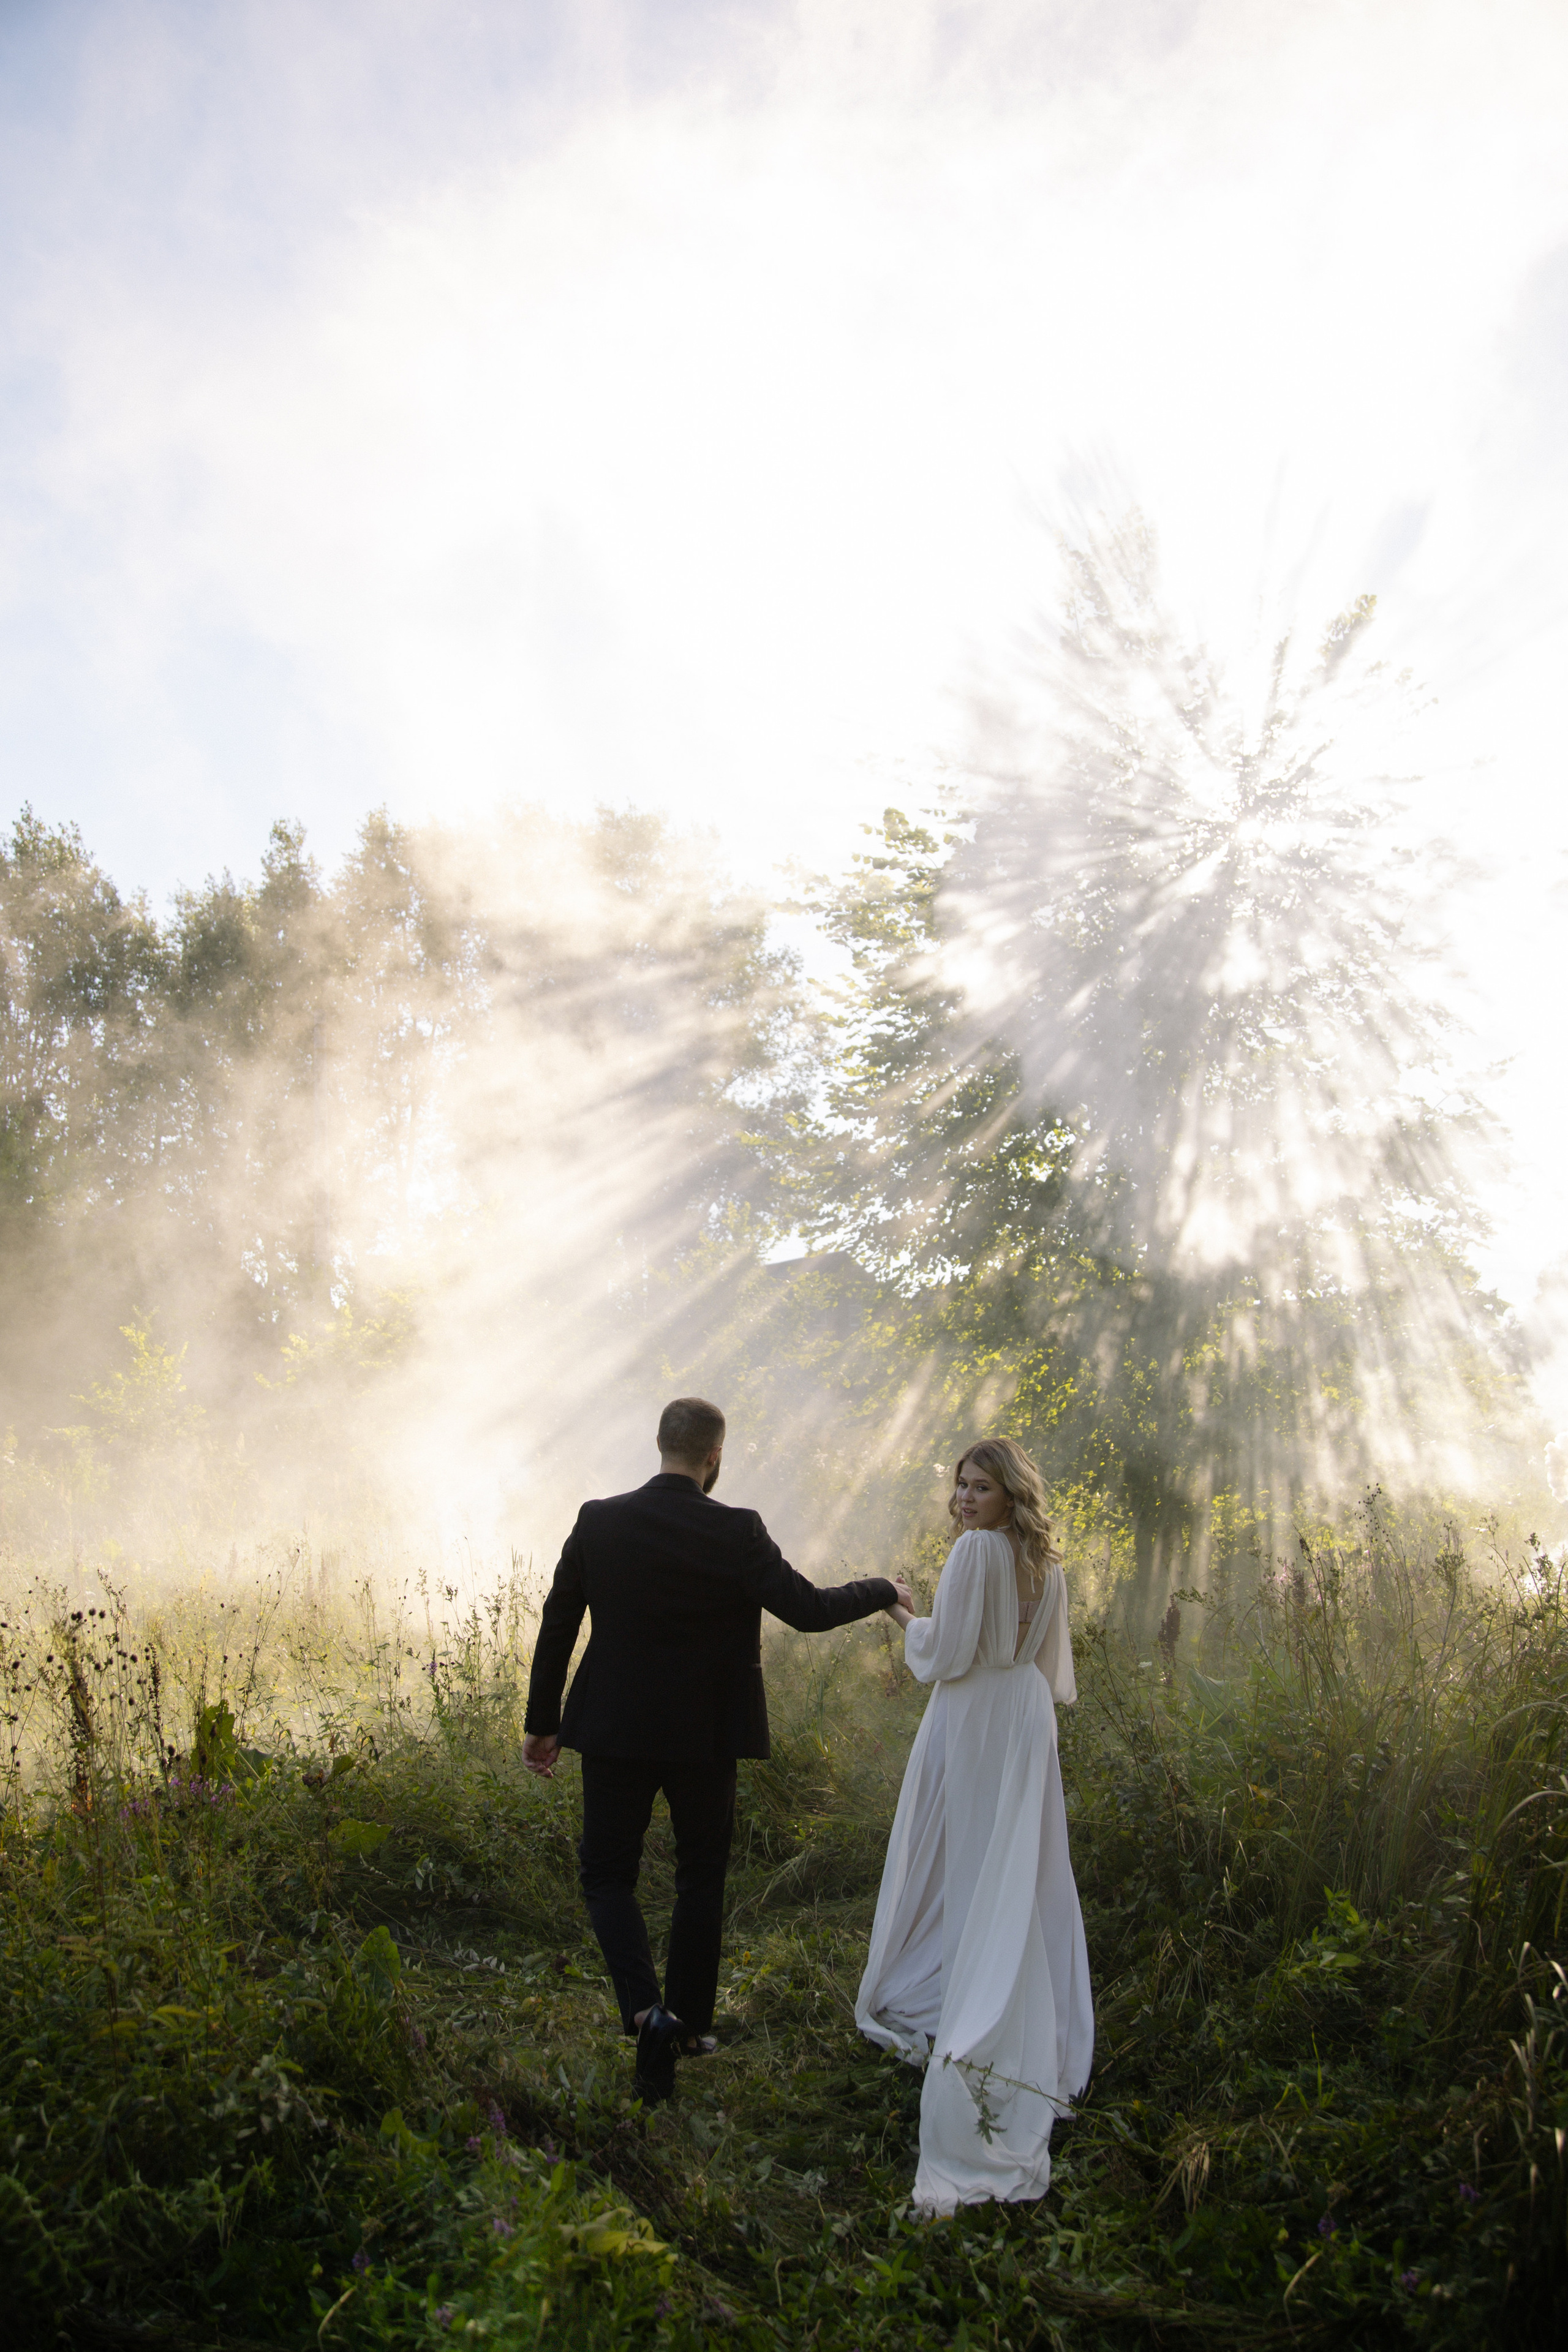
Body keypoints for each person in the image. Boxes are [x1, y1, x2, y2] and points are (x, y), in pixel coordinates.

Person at [522, 1395, 913, 2104]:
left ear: (660, 1444)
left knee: (607, 1873)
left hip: (612, 1730)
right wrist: (883, 1588)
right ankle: (694, 2025)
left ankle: (646, 2012)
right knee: (700, 1876)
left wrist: (541, 1721)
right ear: (714, 1456)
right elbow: (809, 1610)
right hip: (705, 1737)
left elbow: (558, 1622)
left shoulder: (599, 1519)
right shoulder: (738, 1530)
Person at [856, 1436, 1093, 2215]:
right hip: (1024, 1715)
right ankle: (1006, 1994)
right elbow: (1052, 1671)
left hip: (977, 1715)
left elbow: (945, 1657)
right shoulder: (1048, 1566)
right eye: (960, 1486)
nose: (964, 1499)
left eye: (980, 1487)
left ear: (1008, 1495)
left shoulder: (975, 1556)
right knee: (1016, 1866)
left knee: (969, 1858)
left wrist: (901, 1611)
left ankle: (974, 2005)